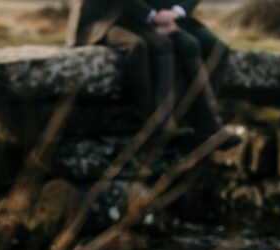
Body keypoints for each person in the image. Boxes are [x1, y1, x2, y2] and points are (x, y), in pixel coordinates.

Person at [66, 0, 238, 148]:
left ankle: (200, 122)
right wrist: (153, 17)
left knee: (212, 48)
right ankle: (166, 124)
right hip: (113, 18)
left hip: (162, 14)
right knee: (169, 45)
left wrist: (173, 13)